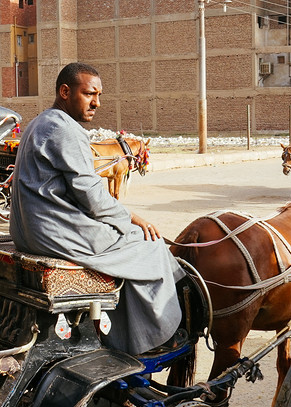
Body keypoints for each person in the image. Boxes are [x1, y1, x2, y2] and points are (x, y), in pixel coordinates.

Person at [10, 62, 185, 355]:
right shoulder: (65, 129)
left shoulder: (40, 122)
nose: (97, 103)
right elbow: (90, 195)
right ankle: (154, 336)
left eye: (99, 95)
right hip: (52, 231)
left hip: (28, 231)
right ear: (65, 92)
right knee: (149, 243)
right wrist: (131, 217)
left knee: (129, 235)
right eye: (89, 94)